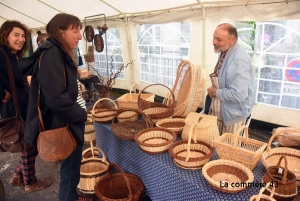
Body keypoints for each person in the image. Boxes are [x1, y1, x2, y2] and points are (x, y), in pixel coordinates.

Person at [22, 13, 87, 201]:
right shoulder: (52, 54)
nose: (80, 36)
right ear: (60, 31)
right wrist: (80, 115)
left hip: (68, 119)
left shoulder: (58, 51)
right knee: (70, 172)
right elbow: (56, 99)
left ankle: (71, 197)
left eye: (80, 31)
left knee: (72, 169)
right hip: (66, 122)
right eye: (75, 31)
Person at [0, 20, 51, 192]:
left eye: (23, 36)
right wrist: (1, 94)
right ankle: (30, 182)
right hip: (16, 108)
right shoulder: (1, 53)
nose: (21, 39)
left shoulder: (12, 55)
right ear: (5, 35)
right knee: (29, 143)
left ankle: (17, 175)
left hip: (23, 105)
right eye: (16, 35)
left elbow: (25, 68)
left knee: (28, 142)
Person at [206, 23, 255, 135]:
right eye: (214, 37)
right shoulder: (225, 52)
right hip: (223, 109)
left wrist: (214, 92)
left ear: (232, 40)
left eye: (219, 39)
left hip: (234, 114)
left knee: (228, 149)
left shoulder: (238, 60)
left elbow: (238, 94)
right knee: (216, 146)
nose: (214, 42)